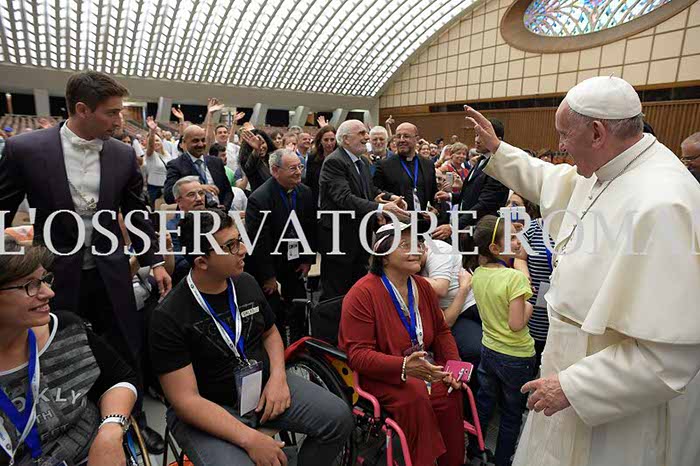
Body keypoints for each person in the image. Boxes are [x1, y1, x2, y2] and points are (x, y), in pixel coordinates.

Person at [465, 75, 700, 466]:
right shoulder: (610, 167)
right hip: (565, 377)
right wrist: (498, 149)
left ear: (597, 133)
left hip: (616, 411)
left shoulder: (664, 203)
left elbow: (671, 356)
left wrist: (574, 387)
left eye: (564, 134)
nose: (559, 146)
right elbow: (549, 179)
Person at [0, 71, 170, 452]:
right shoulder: (25, 149)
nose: (120, 121)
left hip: (111, 272)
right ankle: (66, 428)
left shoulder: (123, 154)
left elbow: (137, 212)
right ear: (82, 110)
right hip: (52, 278)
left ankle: (136, 423)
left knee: (126, 346)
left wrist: (155, 261)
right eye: (112, 113)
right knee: (56, 354)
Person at [150, 208, 354, 466]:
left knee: (338, 419)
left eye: (240, 239)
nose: (244, 250)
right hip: (209, 409)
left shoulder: (245, 282)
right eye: (231, 246)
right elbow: (186, 401)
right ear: (202, 262)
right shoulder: (169, 316)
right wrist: (250, 439)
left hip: (262, 388)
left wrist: (278, 377)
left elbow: (270, 333)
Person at [0, 239, 138, 466]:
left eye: (45, 280)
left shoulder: (66, 328)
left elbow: (120, 379)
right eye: (30, 285)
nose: (49, 292)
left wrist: (110, 430)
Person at [339, 223, 466, 466]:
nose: (416, 250)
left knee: (451, 391)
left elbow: (441, 331)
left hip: (422, 367)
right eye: (405, 245)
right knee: (416, 395)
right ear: (384, 255)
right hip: (382, 374)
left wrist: (453, 366)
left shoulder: (422, 287)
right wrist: (405, 366)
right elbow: (358, 355)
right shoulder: (362, 294)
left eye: (417, 243)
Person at [468, 215, 534, 466]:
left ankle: (475, 449)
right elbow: (516, 324)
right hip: (516, 356)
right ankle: (503, 459)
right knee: (511, 412)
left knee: (484, 402)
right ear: (495, 248)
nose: (518, 242)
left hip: (489, 349)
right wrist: (529, 306)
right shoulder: (515, 279)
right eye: (512, 238)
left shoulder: (478, 273)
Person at [317, 120, 408, 300]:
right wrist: (381, 207)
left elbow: (370, 190)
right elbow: (344, 198)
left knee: (357, 290)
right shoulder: (334, 161)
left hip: (359, 237)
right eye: (361, 133)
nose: (367, 137)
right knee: (336, 294)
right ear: (345, 139)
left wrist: (391, 198)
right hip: (339, 239)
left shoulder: (362, 162)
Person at [245, 149, 317, 339]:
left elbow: (310, 228)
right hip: (270, 266)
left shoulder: (305, 192)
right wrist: (268, 276)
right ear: (275, 171)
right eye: (293, 168)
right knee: (274, 316)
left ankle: (301, 349)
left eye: (300, 167)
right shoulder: (259, 199)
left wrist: (308, 259)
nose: (298, 172)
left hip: (295, 262)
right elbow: (258, 242)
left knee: (299, 310)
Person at [435, 118, 509, 231]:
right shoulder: (482, 159)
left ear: (497, 140)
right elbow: (473, 194)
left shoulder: (498, 166)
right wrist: (451, 197)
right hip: (468, 227)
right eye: (476, 135)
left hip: (481, 229)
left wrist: (453, 226)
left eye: (482, 136)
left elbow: (485, 205)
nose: (477, 140)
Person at [418, 239, 478, 364]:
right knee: (475, 350)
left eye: (417, 245)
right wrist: (463, 289)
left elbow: (441, 288)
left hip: (472, 304)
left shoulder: (437, 249)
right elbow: (446, 322)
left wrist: (406, 275)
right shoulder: (400, 278)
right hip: (452, 316)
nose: (413, 253)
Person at [163, 124, 233, 209]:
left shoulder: (216, 162)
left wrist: (224, 208)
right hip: (192, 214)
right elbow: (169, 196)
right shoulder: (175, 165)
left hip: (219, 213)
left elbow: (228, 192)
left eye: (203, 140)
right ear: (184, 142)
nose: (200, 144)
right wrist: (199, 188)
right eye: (195, 141)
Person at [373, 122, 439, 213]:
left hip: (424, 219)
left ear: (416, 139)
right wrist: (390, 197)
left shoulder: (428, 165)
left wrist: (435, 209)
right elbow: (375, 191)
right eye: (398, 136)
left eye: (406, 136)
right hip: (397, 218)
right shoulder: (384, 165)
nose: (401, 140)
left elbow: (434, 194)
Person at [145, 116, 173, 209]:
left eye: (157, 140)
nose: (155, 143)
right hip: (154, 189)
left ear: (161, 141)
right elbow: (150, 146)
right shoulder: (150, 154)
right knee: (156, 213)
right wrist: (152, 131)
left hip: (167, 187)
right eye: (153, 141)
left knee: (167, 211)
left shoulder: (167, 154)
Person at [305, 125, 337, 207]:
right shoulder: (313, 158)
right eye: (326, 140)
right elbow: (309, 182)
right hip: (317, 200)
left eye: (332, 139)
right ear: (320, 141)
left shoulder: (341, 158)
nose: (329, 143)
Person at [238, 129, 275, 193]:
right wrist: (256, 150)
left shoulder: (272, 158)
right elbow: (249, 168)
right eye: (257, 144)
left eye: (262, 143)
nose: (261, 147)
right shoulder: (250, 163)